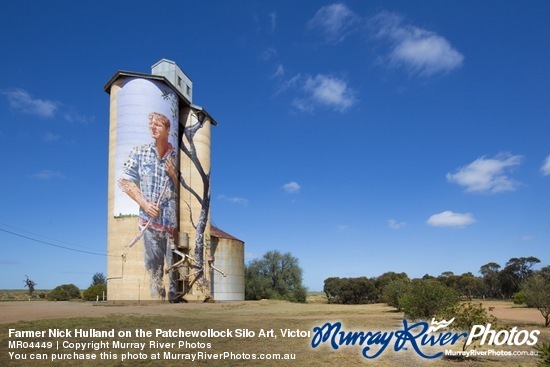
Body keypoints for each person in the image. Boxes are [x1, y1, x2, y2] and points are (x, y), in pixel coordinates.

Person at [118, 112, 179, 300]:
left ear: (168, 129)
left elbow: (185, 192)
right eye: (150, 124)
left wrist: (175, 176)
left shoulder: (178, 157)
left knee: (176, 270)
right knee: (154, 271)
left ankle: (176, 306)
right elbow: (124, 182)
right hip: (149, 225)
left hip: (172, 227)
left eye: (158, 125)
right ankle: (156, 307)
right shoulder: (139, 152)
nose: (153, 127)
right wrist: (144, 203)